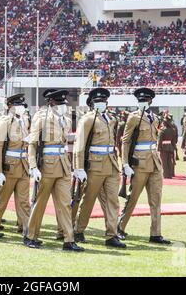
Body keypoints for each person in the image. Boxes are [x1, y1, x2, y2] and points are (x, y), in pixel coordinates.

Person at [26, 89, 84, 251]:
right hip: (47, 166)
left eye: (64, 104)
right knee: (40, 203)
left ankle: (69, 239)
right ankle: (31, 235)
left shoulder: (65, 120)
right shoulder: (42, 119)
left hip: (63, 165)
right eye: (60, 104)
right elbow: (32, 143)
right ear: (52, 104)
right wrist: (33, 167)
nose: (63, 107)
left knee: (65, 204)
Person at [73, 88, 125, 248]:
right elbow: (79, 145)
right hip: (94, 165)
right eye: (98, 101)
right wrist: (79, 167)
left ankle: (111, 235)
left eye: (103, 101)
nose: (101, 103)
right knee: (88, 199)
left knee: (112, 201)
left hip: (111, 163)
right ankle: (78, 230)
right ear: (92, 104)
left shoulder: (111, 119)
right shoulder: (87, 119)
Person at [118, 87, 171, 245]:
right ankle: (119, 228)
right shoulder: (133, 117)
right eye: (140, 100)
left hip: (155, 161)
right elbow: (125, 141)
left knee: (156, 200)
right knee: (132, 198)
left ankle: (155, 233)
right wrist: (125, 163)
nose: (142, 103)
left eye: (145, 100)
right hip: (139, 162)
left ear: (150, 101)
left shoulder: (155, 118)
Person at [0, 94, 31, 241]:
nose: (22, 107)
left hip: (23, 165)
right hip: (9, 167)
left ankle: (28, 232)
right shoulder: (5, 121)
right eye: (18, 105)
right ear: (10, 106)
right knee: (2, 201)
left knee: (24, 202)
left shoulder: (23, 121)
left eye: (22, 105)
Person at [158, 114, 177, 179]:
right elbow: (174, 140)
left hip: (164, 147)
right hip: (170, 146)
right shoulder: (172, 129)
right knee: (169, 161)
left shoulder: (162, 130)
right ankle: (170, 174)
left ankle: (165, 175)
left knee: (164, 162)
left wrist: (158, 148)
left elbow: (160, 140)